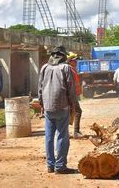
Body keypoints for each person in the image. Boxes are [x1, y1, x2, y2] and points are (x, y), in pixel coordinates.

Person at [38, 45, 76, 174]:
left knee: (49, 137)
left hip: (48, 107)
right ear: (64, 56)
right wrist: (73, 106)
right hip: (62, 106)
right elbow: (71, 90)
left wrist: (42, 104)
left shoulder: (44, 68)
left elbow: (40, 88)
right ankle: (60, 167)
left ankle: (50, 166)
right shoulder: (66, 68)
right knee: (62, 136)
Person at [67, 51, 84, 138]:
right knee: (77, 112)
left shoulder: (72, 69)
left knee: (70, 112)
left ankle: (69, 132)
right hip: (71, 95)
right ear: (69, 61)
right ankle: (76, 132)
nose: (76, 62)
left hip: (73, 95)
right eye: (74, 60)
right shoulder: (69, 69)